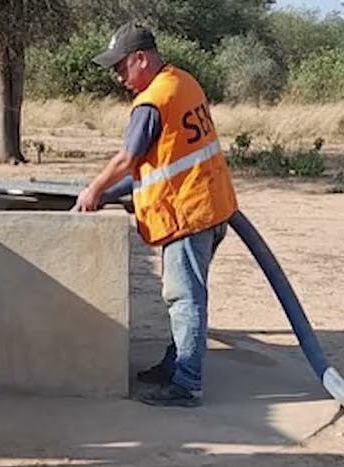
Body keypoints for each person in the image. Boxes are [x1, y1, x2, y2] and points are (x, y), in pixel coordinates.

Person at [73, 23, 239, 408]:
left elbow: (129, 158)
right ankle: (176, 363)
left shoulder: (153, 101)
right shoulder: (183, 83)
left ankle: (187, 383)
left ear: (140, 59)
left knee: (185, 298)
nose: (118, 79)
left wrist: (95, 189)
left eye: (120, 69)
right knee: (185, 295)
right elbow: (160, 164)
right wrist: (109, 195)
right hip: (211, 207)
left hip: (190, 213)